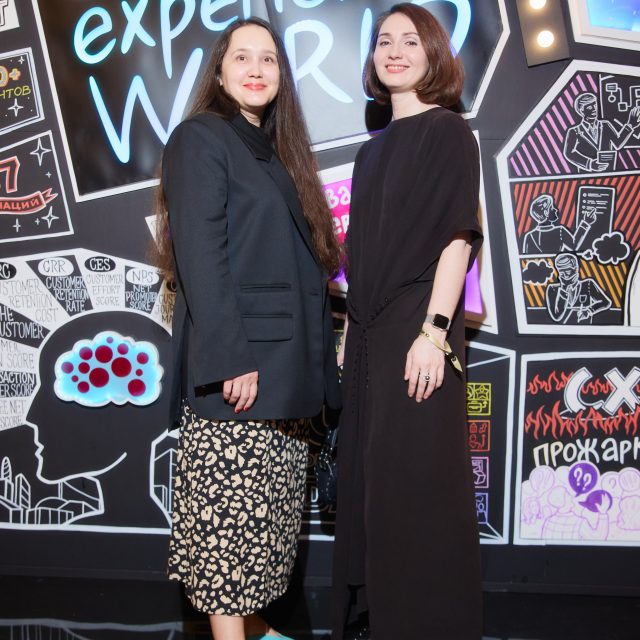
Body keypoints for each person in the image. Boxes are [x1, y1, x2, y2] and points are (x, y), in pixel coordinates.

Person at [155, 18, 342, 640]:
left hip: (285, 376)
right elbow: (201, 256)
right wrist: (231, 356)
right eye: (242, 57)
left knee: (263, 533)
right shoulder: (199, 138)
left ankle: (258, 629)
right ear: (219, 69)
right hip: (241, 374)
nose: (256, 68)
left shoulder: (273, 150)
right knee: (226, 537)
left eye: (268, 58)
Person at [331, 4, 483, 639]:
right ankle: (380, 617)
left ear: (433, 55)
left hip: (418, 332)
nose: (394, 51)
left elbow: (457, 239)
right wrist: (347, 339)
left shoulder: (449, 133)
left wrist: (434, 332)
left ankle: (430, 624)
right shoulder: (369, 155)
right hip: (369, 337)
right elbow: (361, 257)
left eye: (410, 41)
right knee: (374, 489)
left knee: (421, 488)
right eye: (384, 41)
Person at [563, 92, 640, 173]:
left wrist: (630, 125)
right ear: (581, 110)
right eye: (589, 107)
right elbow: (569, 153)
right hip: (586, 175)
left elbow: (618, 144)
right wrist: (590, 164)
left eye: (595, 105)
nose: (594, 109)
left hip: (608, 172)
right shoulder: (574, 131)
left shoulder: (605, 124)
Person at [545, 252, 611, 324]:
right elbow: (556, 316)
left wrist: (589, 311)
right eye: (561, 272)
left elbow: (606, 302)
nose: (564, 275)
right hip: (560, 329)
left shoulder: (588, 284)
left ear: (576, 269)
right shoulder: (553, 288)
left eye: (567, 271)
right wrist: (564, 288)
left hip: (584, 327)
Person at [522, 193, 596, 254]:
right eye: (552, 208)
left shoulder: (529, 236)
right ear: (546, 212)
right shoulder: (560, 231)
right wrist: (585, 223)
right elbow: (574, 245)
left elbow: (526, 258)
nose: (556, 210)